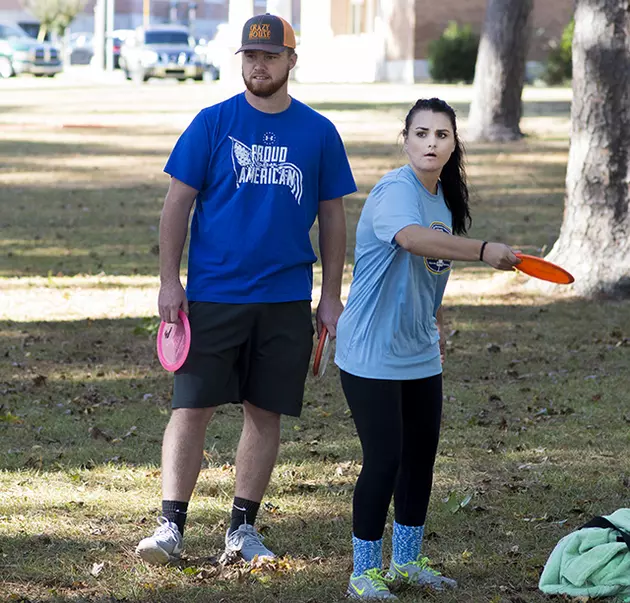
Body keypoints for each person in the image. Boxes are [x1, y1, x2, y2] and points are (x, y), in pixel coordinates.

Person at [136, 13, 356, 565]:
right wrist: (170, 282)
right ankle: (170, 526)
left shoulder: (318, 133)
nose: (259, 65)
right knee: (192, 408)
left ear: (291, 61)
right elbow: (176, 206)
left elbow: (333, 221)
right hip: (213, 294)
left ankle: (242, 529)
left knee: (265, 411)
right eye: (251, 57)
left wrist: (331, 295)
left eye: (270, 56)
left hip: (284, 298)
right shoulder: (212, 123)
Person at [334, 98, 520, 600]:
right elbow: (414, 242)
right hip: (370, 351)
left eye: (441, 134)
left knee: (421, 457)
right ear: (406, 139)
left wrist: (433, 329)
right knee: (386, 458)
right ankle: (364, 572)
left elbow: (430, 277)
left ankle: (408, 562)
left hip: (417, 351)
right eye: (421, 133)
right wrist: (483, 250)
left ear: (454, 142)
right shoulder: (396, 191)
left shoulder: (445, 199)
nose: (431, 143)